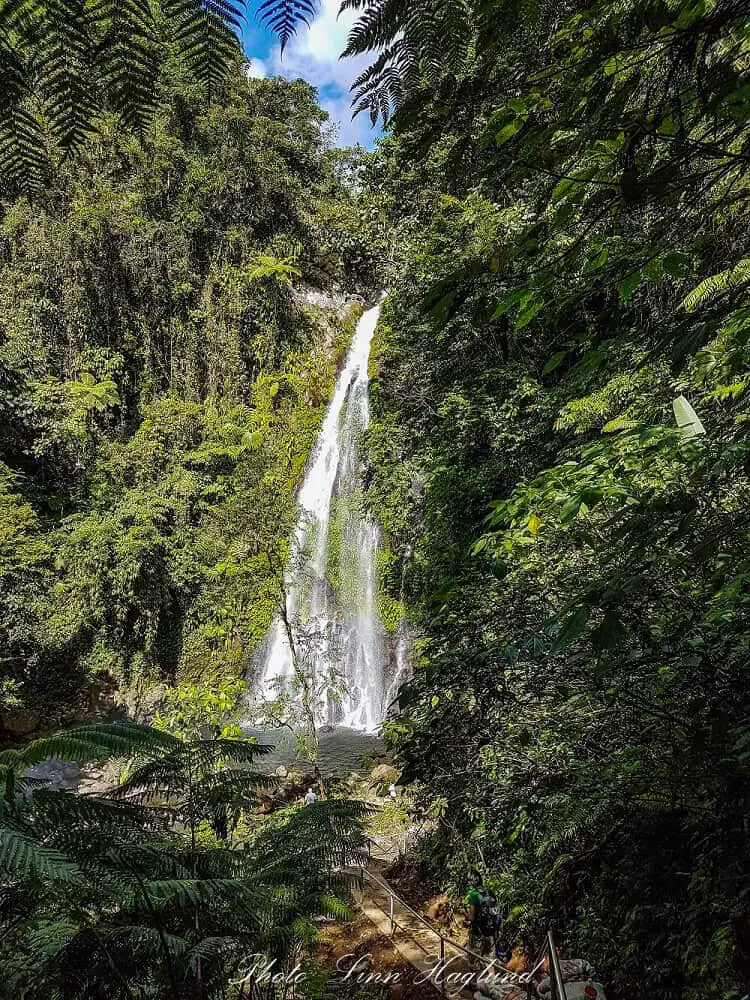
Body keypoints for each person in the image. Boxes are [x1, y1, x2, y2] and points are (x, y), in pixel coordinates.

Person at [464, 872, 499, 964]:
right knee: (490, 961)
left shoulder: (473, 895)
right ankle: (491, 978)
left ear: (472, 882)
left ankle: (474, 977)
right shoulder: (490, 892)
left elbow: (471, 917)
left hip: (477, 933)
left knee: (474, 960)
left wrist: (465, 915)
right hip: (491, 931)